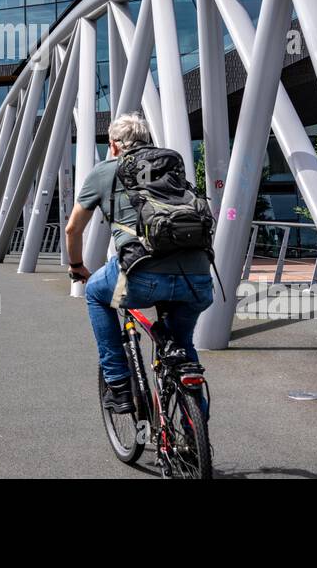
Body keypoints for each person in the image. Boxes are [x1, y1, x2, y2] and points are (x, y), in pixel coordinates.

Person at [64, 112, 214, 414]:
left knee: (95, 293)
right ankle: (194, 430)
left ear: (114, 145)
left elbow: (72, 229)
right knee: (182, 345)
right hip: (197, 278)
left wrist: (77, 266)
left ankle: (118, 384)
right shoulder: (172, 170)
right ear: (148, 141)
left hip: (139, 275)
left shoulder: (105, 171)